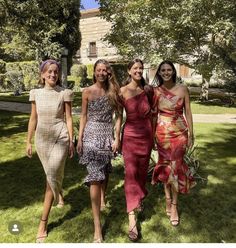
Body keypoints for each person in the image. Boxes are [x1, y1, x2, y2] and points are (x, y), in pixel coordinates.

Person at [26, 59, 74, 243]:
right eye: (49, 71)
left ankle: (43, 222)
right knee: (52, 174)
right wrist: (28, 141)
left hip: (60, 137)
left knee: (51, 175)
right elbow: (33, 118)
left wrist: (70, 140)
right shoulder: (35, 93)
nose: (53, 74)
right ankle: (59, 195)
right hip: (41, 140)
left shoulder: (65, 93)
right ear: (42, 74)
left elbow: (68, 118)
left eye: (56, 72)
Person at [76, 59, 122, 243]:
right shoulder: (87, 91)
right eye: (99, 70)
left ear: (108, 72)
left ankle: (103, 196)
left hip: (107, 135)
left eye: (105, 70)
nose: (101, 73)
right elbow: (84, 116)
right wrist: (79, 138)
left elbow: (119, 115)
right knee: (95, 177)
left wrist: (117, 138)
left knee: (105, 170)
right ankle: (97, 227)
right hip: (91, 136)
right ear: (94, 72)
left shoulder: (114, 92)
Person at [151, 60, 196, 226]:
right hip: (162, 134)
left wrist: (191, 133)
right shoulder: (156, 91)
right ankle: (167, 199)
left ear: (173, 71)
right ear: (159, 72)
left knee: (176, 168)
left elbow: (189, 112)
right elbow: (154, 115)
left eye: (169, 69)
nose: (166, 72)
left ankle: (174, 205)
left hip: (180, 133)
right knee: (164, 166)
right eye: (163, 70)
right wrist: (153, 135)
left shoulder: (183, 89)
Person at [119, 58, 154, 242]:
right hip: (130, 137)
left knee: (141, 173)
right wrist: (115, 137)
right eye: (135, 68)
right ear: (129, 71)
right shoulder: (122, 91)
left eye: (141, 68)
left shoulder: (148, 90)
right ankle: (132, 217)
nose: (138, 71)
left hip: (146, 136)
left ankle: (138, 198)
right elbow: (118, 116)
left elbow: (153, 115)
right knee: (131, 174)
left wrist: (154, 137)